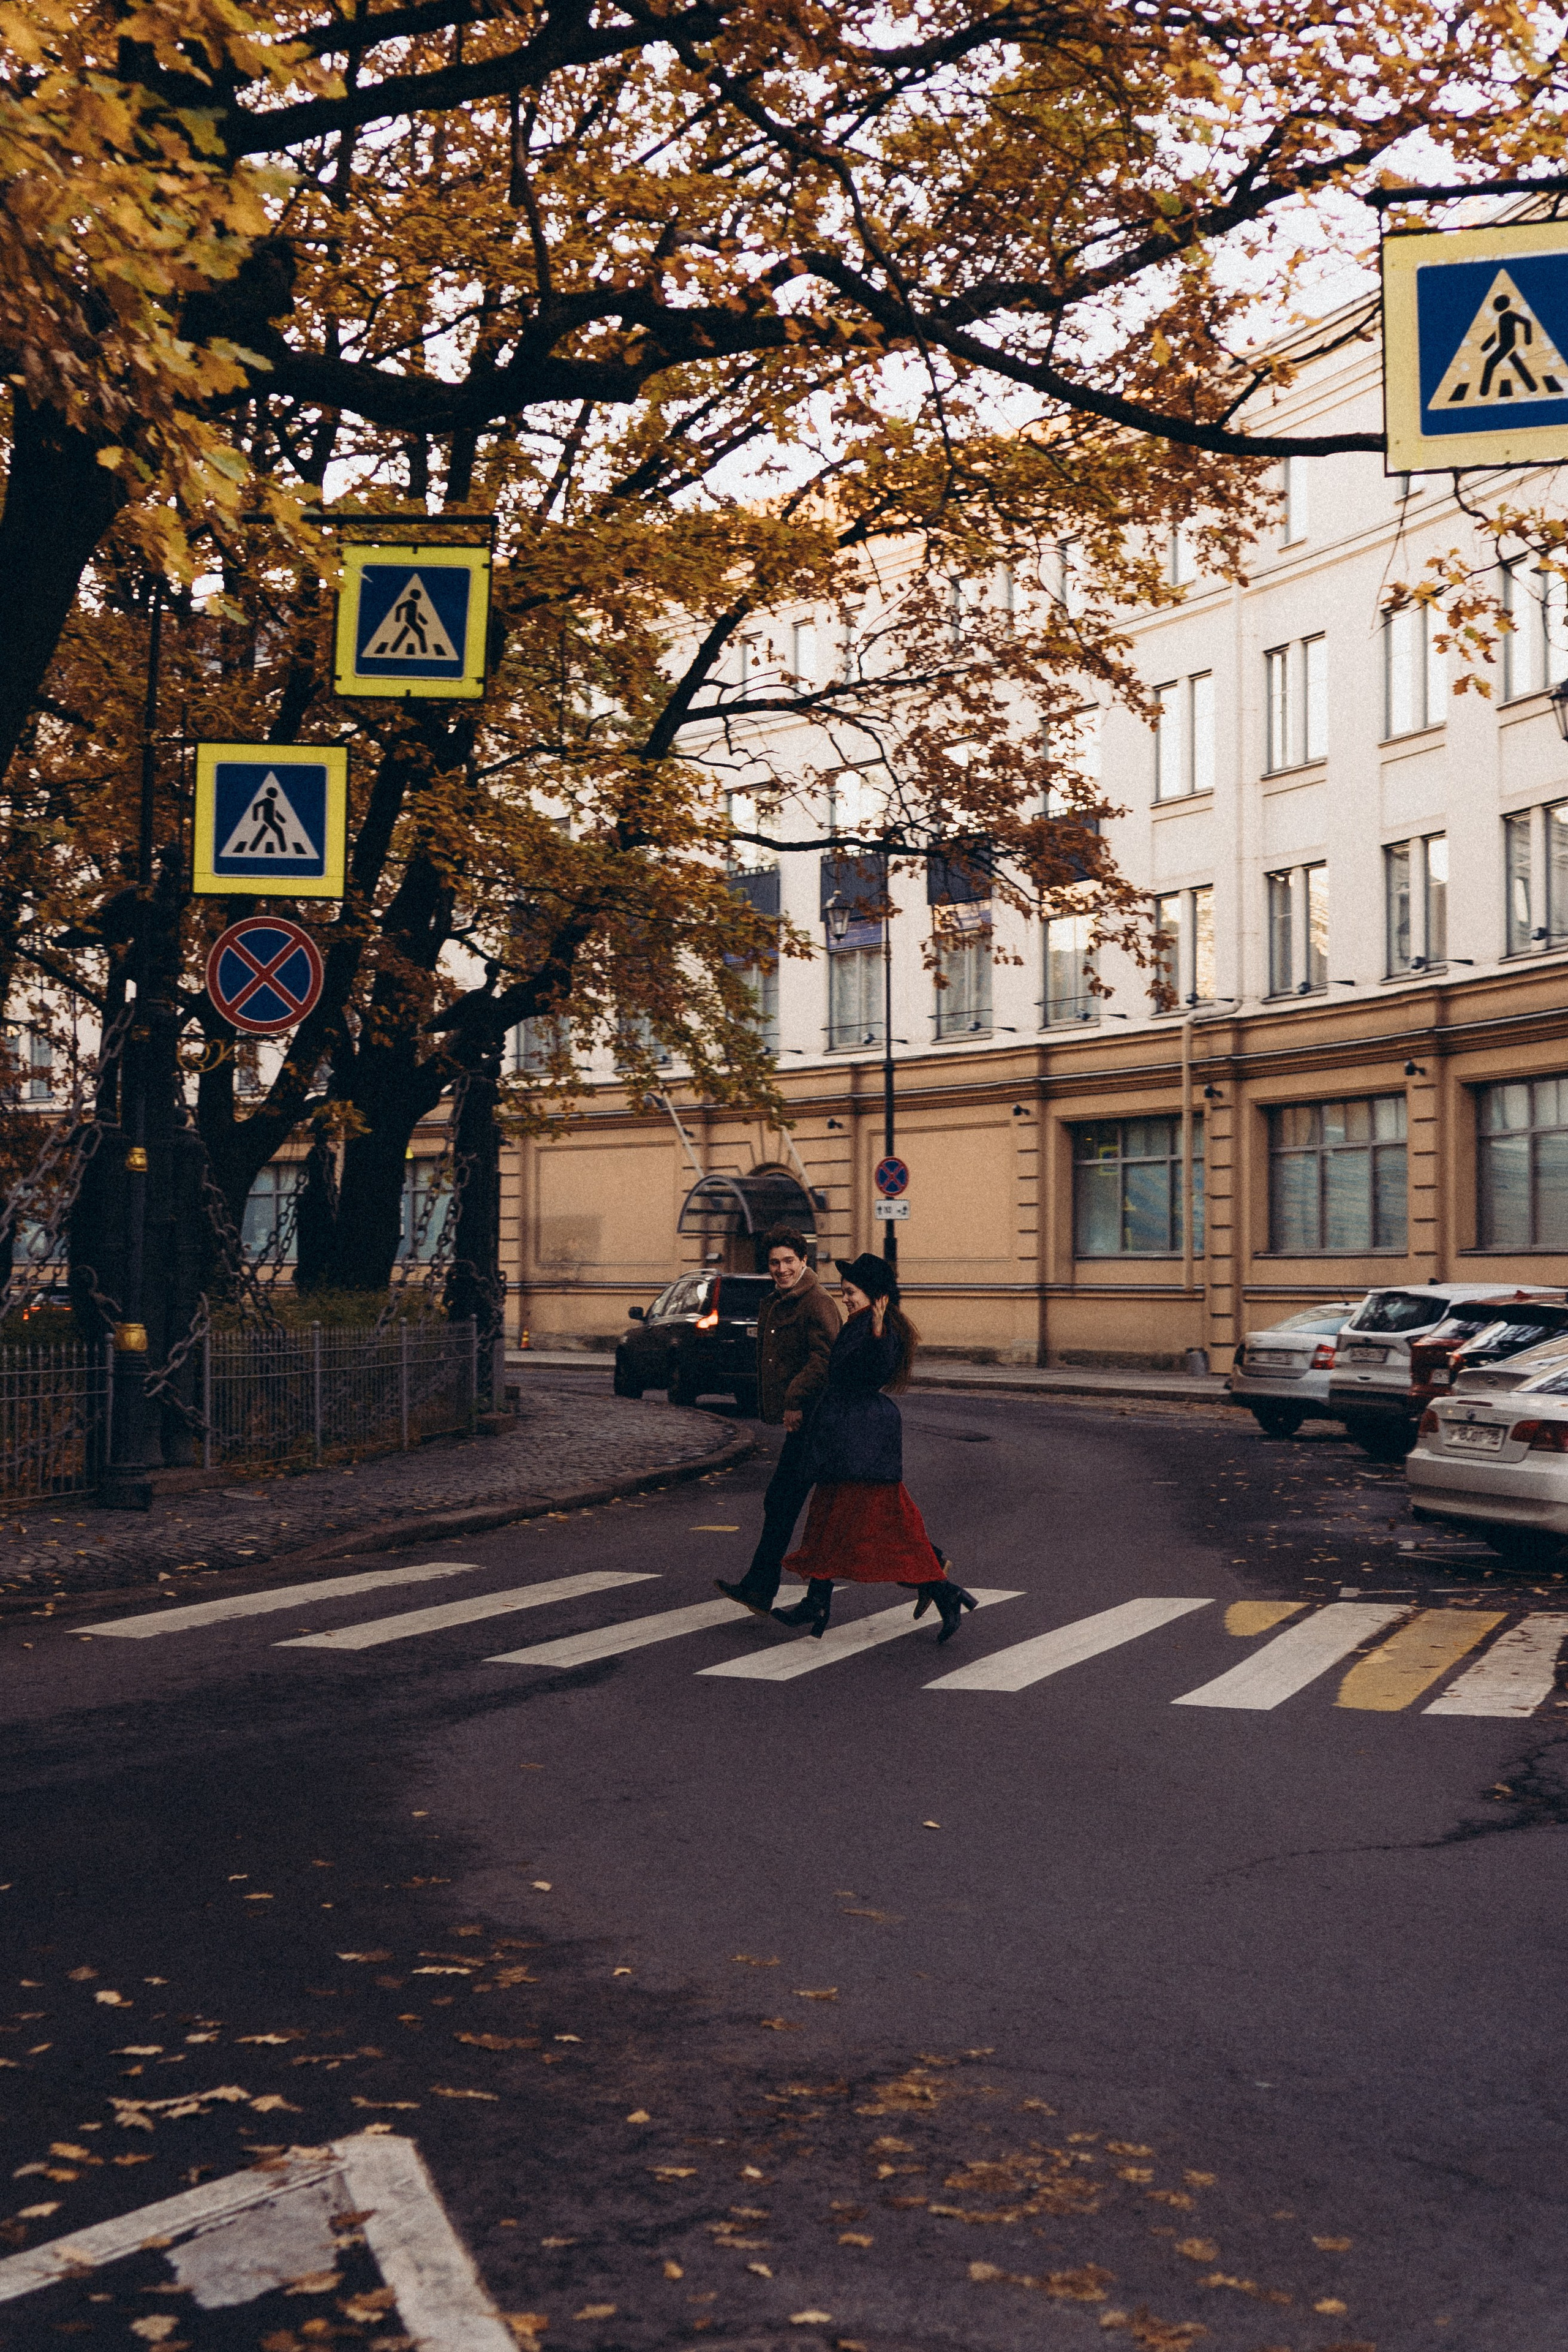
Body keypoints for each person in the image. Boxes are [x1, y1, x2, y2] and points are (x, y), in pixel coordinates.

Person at [772, 1253, 978, 1643]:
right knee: (829, 1520)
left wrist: (879, 1333)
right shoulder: (860, 1323)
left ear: (875, 1296)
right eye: (844, 1292)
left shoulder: (877, 1329)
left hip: (861, 1443)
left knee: (882, 1528)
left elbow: (876, 1366)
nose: (845, 1298)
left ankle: (943, 1591)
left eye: (851, 1292)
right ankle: (820, 1600)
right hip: (847, 1440)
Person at [715, 1229, 841, 1618]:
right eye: (774, 1263)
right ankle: (760, 1587)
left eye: (788, 1261)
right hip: (805, 1423)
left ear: (804, 1260)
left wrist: (794, 1399)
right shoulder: (778, 1301)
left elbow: (824, 1359)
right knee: (784, 1503)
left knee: (845, 1511)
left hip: (818, 1422)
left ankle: (934, 1574)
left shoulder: (816, 1302)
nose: (782, 1269)